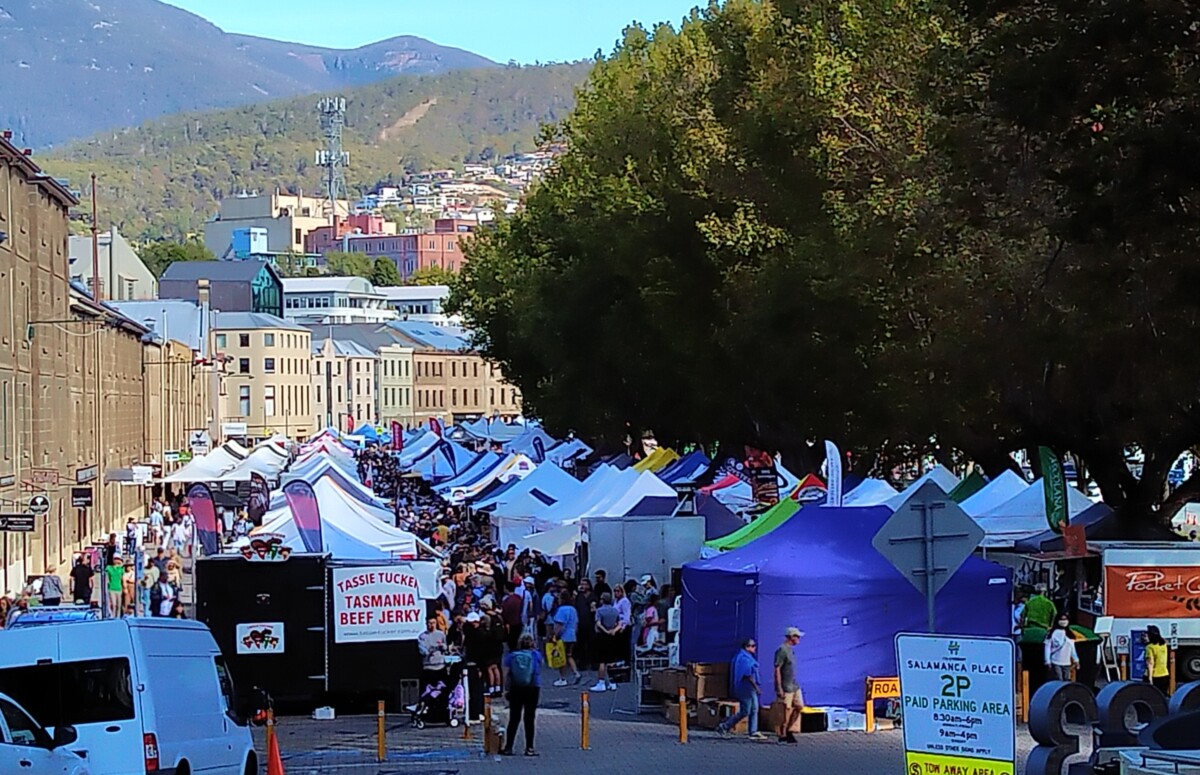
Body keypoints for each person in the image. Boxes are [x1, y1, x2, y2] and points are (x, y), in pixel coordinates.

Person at [501, 632, 543, 757]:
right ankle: (529, 748)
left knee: (514, 718)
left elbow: (505, 674)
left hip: (516, 688)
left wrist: (505, 689)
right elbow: (539, 668)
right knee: (529, 718)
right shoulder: (536, 655)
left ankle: (509, 747)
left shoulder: (511, 656)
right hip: (533, 687)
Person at [717, 639, 764, 739]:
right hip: (745, 688)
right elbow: (747, 675)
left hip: (748, 688)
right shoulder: (744, 659)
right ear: (747, 647)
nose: (755, 648)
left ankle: (753, 731)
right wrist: (756, 687)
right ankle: (725, 726)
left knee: (754, 709)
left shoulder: (744, 657)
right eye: (753, 646)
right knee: (746, 710)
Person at [774, 627, 805, 744]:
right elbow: (777, 669)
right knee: (785, 711)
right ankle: (782, 733)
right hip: (786, 686)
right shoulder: (782, 650)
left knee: (799, 706)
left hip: (794, 685)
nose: (799, 639)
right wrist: (779, 687)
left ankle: (788, 730)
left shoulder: (791, 650)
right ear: (792, 637)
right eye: (797, 637)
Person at [590, 592, 620, 692]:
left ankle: (601, 682)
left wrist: (605, 630)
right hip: (613, 636)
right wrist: (613, 630)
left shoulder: (599, 610)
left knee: (602, 661)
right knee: (611, 660)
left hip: (602, 636)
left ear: (602, 600)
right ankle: (612, 682)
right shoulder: (615, 610)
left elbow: (598, 623)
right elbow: (619, 623)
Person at [551, 588, 581, 686]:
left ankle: (563, 678)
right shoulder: (573, 610)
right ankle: (576, 673)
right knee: (569, 655)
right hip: (572, 635)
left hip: (564, 636)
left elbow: (559, 625)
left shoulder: (561, 610)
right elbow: (576, 623)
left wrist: (554, 635)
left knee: (561, 657)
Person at [1044, 614, 1079, 681]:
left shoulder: (1070, 634)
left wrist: (1076, 660)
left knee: (1066, 680)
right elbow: (1047, 647)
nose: (1063, 621)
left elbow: (1072, 649)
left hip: (1067, 663)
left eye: (1065, 619)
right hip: (1055, 662)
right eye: (1061, 619)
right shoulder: (1052, 633)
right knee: (1059, 679)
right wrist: (1047, 661)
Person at [1146, 625, 1170, 693]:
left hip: (1154, 676)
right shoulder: (1163, 644)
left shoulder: (1149, 647)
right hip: (1164, 674)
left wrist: (1150, 678)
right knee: (1163, 695)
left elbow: (1150, 663)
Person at [104, 554, 124, 618]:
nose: (116, 560)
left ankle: (118, 617)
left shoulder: (121, 569)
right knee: (113, 604)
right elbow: (105, 571)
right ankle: (113, 616)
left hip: (119, 588)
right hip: (112, 588)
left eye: (118, 559)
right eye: (115, 559)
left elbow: (122, 578)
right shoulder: (109, 568)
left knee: (119, 604)